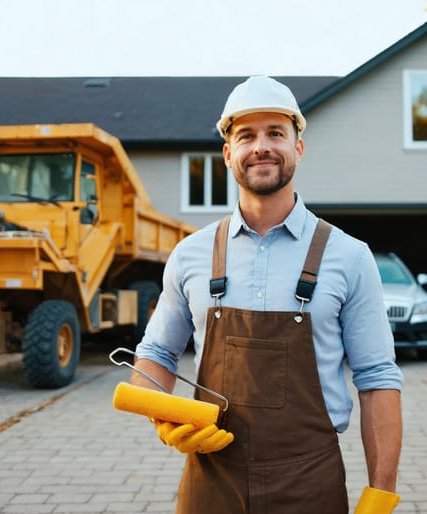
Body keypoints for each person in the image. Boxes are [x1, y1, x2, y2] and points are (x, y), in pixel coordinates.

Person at [131, 75, 403, 514]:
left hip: (310, 484)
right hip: (211, 481)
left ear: (298, 146)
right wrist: (160, 413)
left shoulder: (349, 257)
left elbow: (377, 379)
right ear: (227, 154)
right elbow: (156, 353)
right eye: (246, 136)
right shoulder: (191, 255)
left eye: (276, 133)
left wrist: (381, 494)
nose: (261, 146)